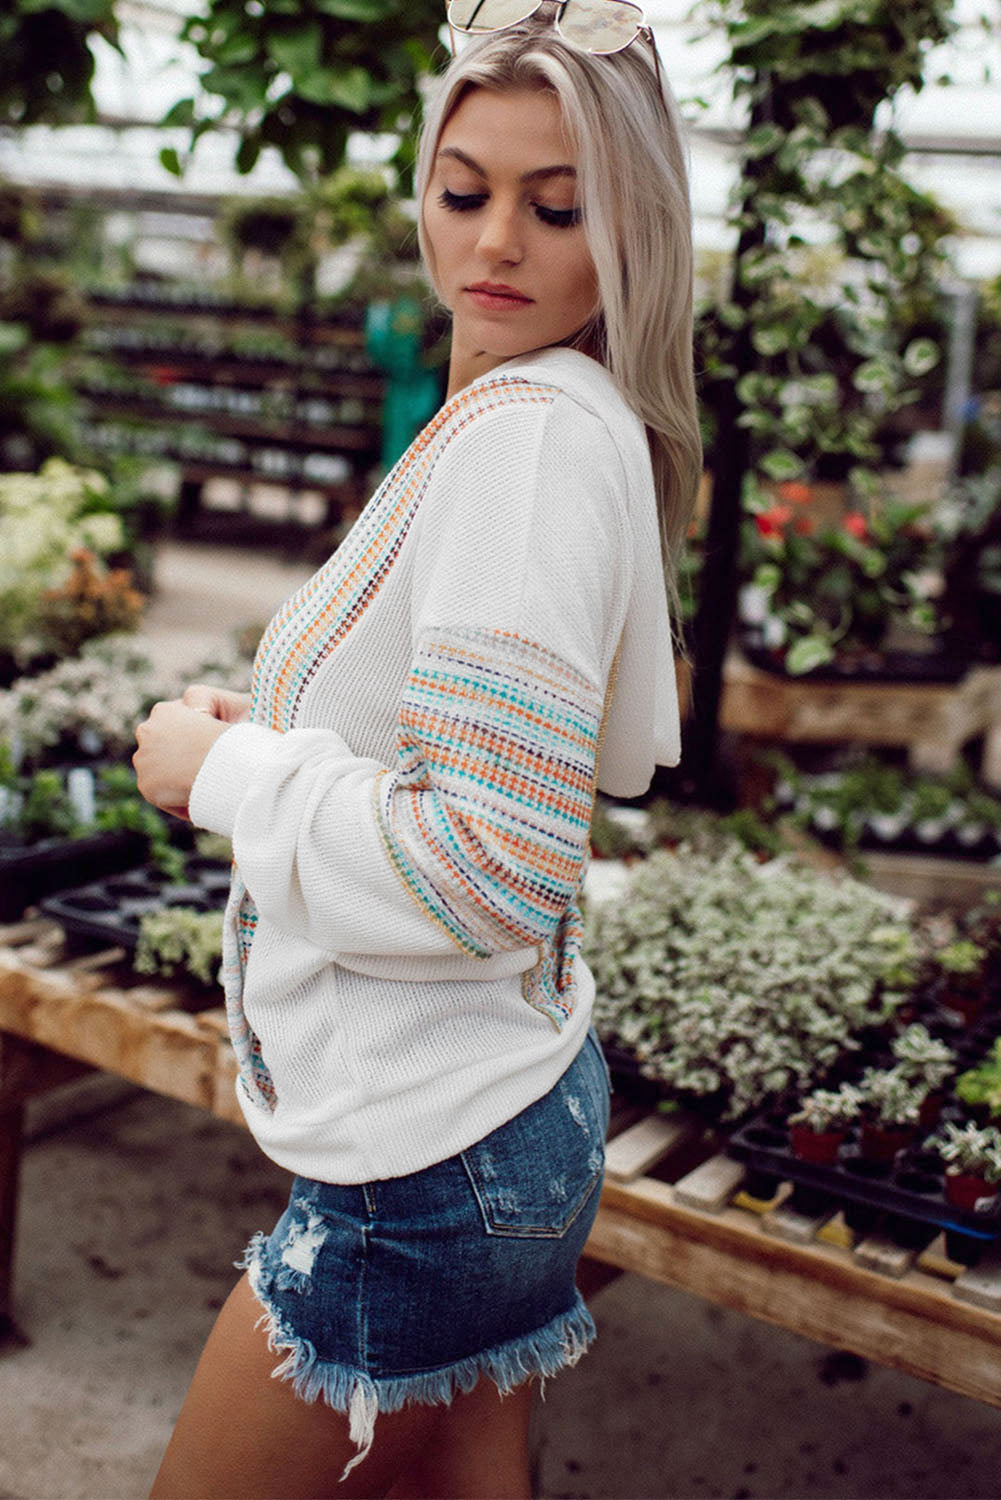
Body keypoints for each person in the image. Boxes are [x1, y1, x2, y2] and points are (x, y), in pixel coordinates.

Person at [134, 4, 701, 1495]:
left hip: (424, 1166)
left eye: (557, 204)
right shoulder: (551, 419)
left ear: (626, 226)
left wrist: (227, 778)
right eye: (464, 192)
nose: (496, 242)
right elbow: (505, 767)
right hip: (508, 1115)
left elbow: (492, 861)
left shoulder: (522, 442)